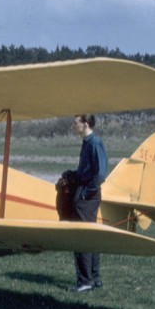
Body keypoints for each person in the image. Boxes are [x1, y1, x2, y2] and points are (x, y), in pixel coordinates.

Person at [59, 114, 107, 293]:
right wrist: (70, 174)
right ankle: (94, 279)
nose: (73, 125)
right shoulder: (88, 142)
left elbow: (100, 174)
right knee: (90, 236)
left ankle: (85, 281)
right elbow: (84, 171)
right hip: (86, 193)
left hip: (88, 195)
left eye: (76, 123)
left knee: (81, 237)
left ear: (85, 124)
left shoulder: (94, 143)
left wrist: (86, 193)